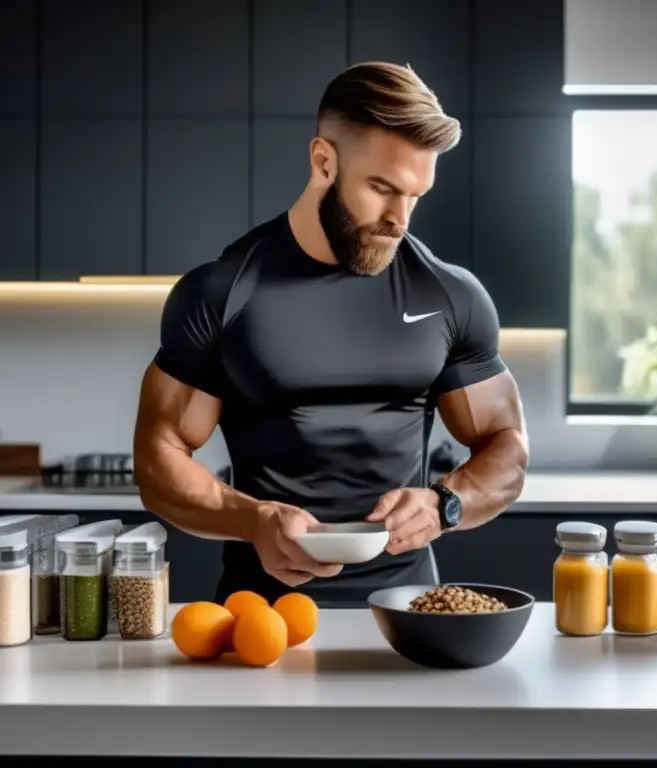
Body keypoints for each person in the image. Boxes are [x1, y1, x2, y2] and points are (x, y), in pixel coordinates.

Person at [133, 62, 529, 608]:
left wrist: (446, 505)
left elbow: (506, 446)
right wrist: (254, 520)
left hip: (411, 614)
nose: (400, 218)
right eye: (382, 188)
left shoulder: (449, 295)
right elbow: (159, 458)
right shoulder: (222, 293)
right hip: (263, 617)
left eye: (416, 194)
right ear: (324, 160)